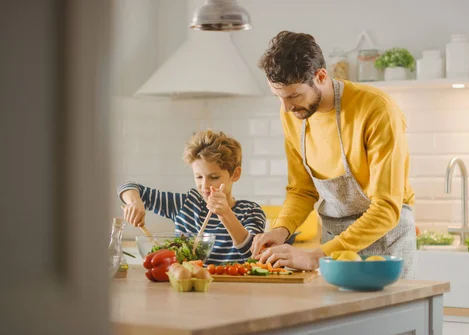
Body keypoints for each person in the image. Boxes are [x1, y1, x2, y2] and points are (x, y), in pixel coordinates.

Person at [251, 31, 416, 279]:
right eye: (279, 97)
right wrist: (281, 230)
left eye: (294, 95)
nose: (286, 108)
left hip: (385, 247)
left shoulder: (377, 110)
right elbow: (302, 190)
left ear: (321, 76)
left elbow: (386, 208)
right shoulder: (293, 113)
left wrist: (315, 256)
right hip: (331, 247)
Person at [118, 130, 266, 265]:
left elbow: (252, 255)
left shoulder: (251, 211)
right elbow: (128, 186)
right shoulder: (186, 204)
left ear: (235, 174)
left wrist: (225, 213)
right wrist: (134, 202)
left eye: (214, 177)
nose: (204, 185)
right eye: (199, 177)